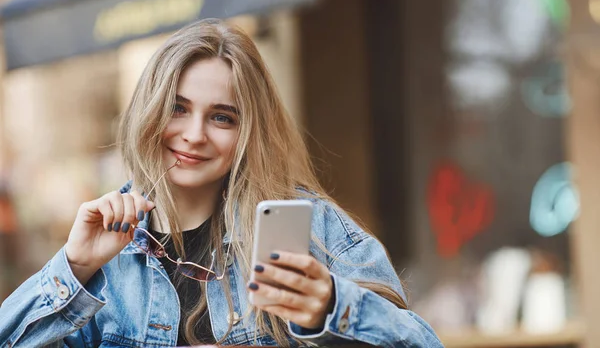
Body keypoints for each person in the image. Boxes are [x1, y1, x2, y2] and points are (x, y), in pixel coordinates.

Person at [0, 19, 443, 347]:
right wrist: (73, 268)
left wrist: (332, 308)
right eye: (177, 108)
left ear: (248, 131)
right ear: (148, 111)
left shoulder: (312, 230)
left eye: (221, 117)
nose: (194, 134)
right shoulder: (106, 250)